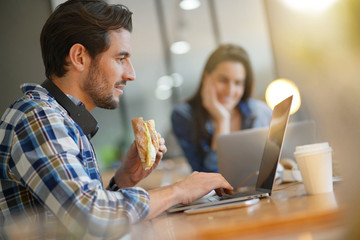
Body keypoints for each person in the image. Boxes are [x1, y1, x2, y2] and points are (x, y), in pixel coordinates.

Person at [0, 0, 233, 239]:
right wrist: (179, 191)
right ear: (79, 57)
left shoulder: (63, 119)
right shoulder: (38, 116)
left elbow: (75, 219)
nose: (130, 74)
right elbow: (94, 217)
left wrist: (124, 180)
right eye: (120, 58)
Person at [171, 44, 272, 173]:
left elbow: (274, 165)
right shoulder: (183, 115)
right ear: (205, 78)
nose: (230, 91)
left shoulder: (260, 112)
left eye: (238, 83)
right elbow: (207, 178)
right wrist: (222, 120)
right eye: (223, 80)